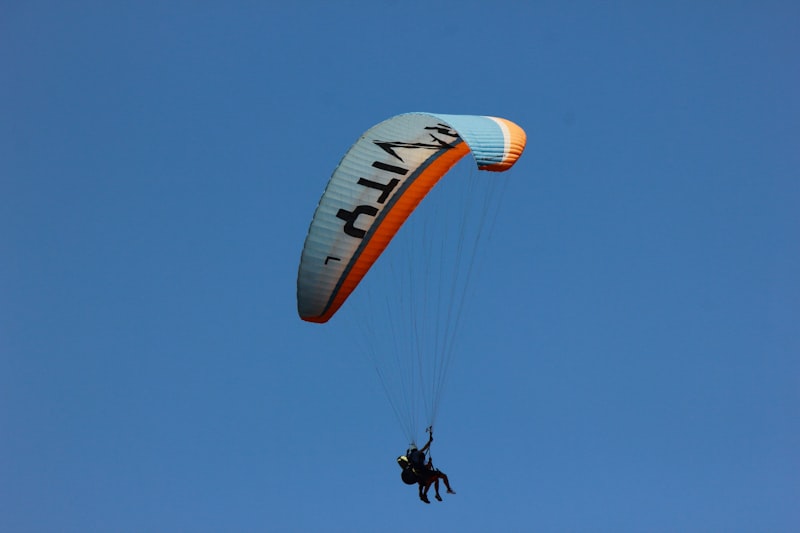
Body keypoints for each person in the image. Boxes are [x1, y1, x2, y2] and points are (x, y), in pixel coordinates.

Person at [398, 429, 456, 504]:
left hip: (419, 474)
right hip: (422, 472)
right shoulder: (416, 453)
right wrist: (429, 442)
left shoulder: (411, 457)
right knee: (441, 476)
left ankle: (428, 494)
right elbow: (425, 449)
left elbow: (426, 467)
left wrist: (429, 463)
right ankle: (446, 489)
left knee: (432, 479)